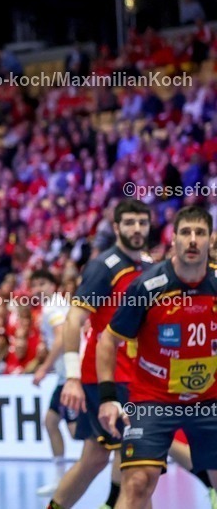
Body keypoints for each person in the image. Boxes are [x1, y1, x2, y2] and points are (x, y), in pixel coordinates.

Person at [99, 205, 217, 509]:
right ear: (173, 239)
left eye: (200, 233)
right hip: (153, 400)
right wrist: (108, 397)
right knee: (137, 483)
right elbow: (108, 340)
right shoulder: (146, 287)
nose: (193, 240)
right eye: (186, 232)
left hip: (209, 400)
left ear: (210, 240)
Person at [48, 198, 152, 509]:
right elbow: (73, 319)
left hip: (137, 377)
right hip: (105, 377)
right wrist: (71, 377)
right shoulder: (103, 267)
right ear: (117, 227)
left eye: (142, 223)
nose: (136, 229)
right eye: (130, 223)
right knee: (136, 465)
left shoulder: (150, 267)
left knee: (98, 458)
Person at [30, 269, 79, 498]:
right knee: (50, 422)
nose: (39, 289)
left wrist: (43, 367)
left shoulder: (52, 308)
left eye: (43, 283)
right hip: (64, 375)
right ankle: (60, 479)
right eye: (35, 285)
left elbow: (61, 337)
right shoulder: (58, 304)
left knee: (77, 431)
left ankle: (122, 453)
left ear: (53, 285)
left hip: (70, 375)